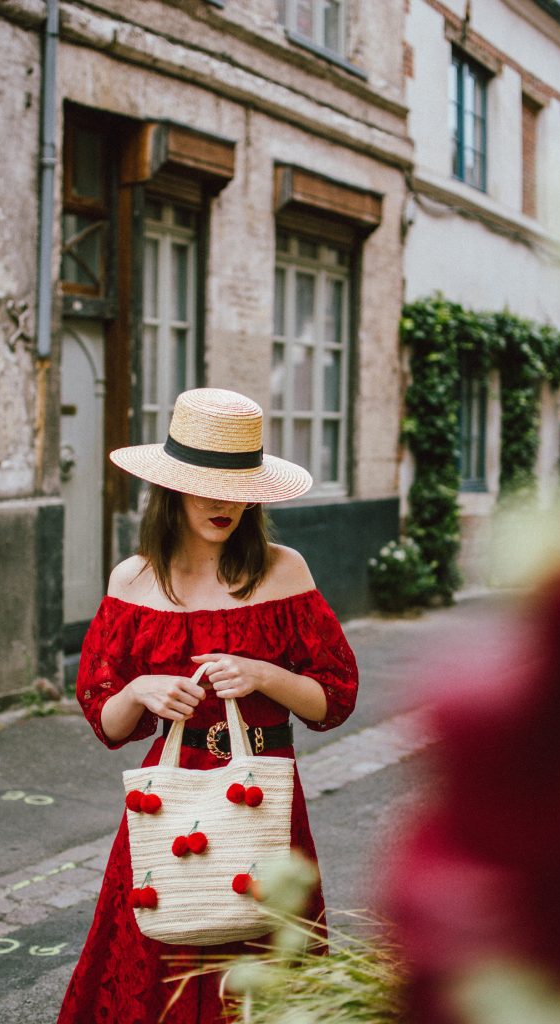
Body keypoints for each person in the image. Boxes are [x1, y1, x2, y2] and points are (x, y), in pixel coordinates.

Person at [58, 387, 359, 1024]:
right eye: (205, 484)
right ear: (171, 489)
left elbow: (333, 700)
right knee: (151, 962)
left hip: (263, 796)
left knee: (264, 969)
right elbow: (108, 724)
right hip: (166, 803)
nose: (224, 502)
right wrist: (139, 691)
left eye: (238, 486)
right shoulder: (132, 579)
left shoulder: (284, 571)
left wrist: (263, 674)